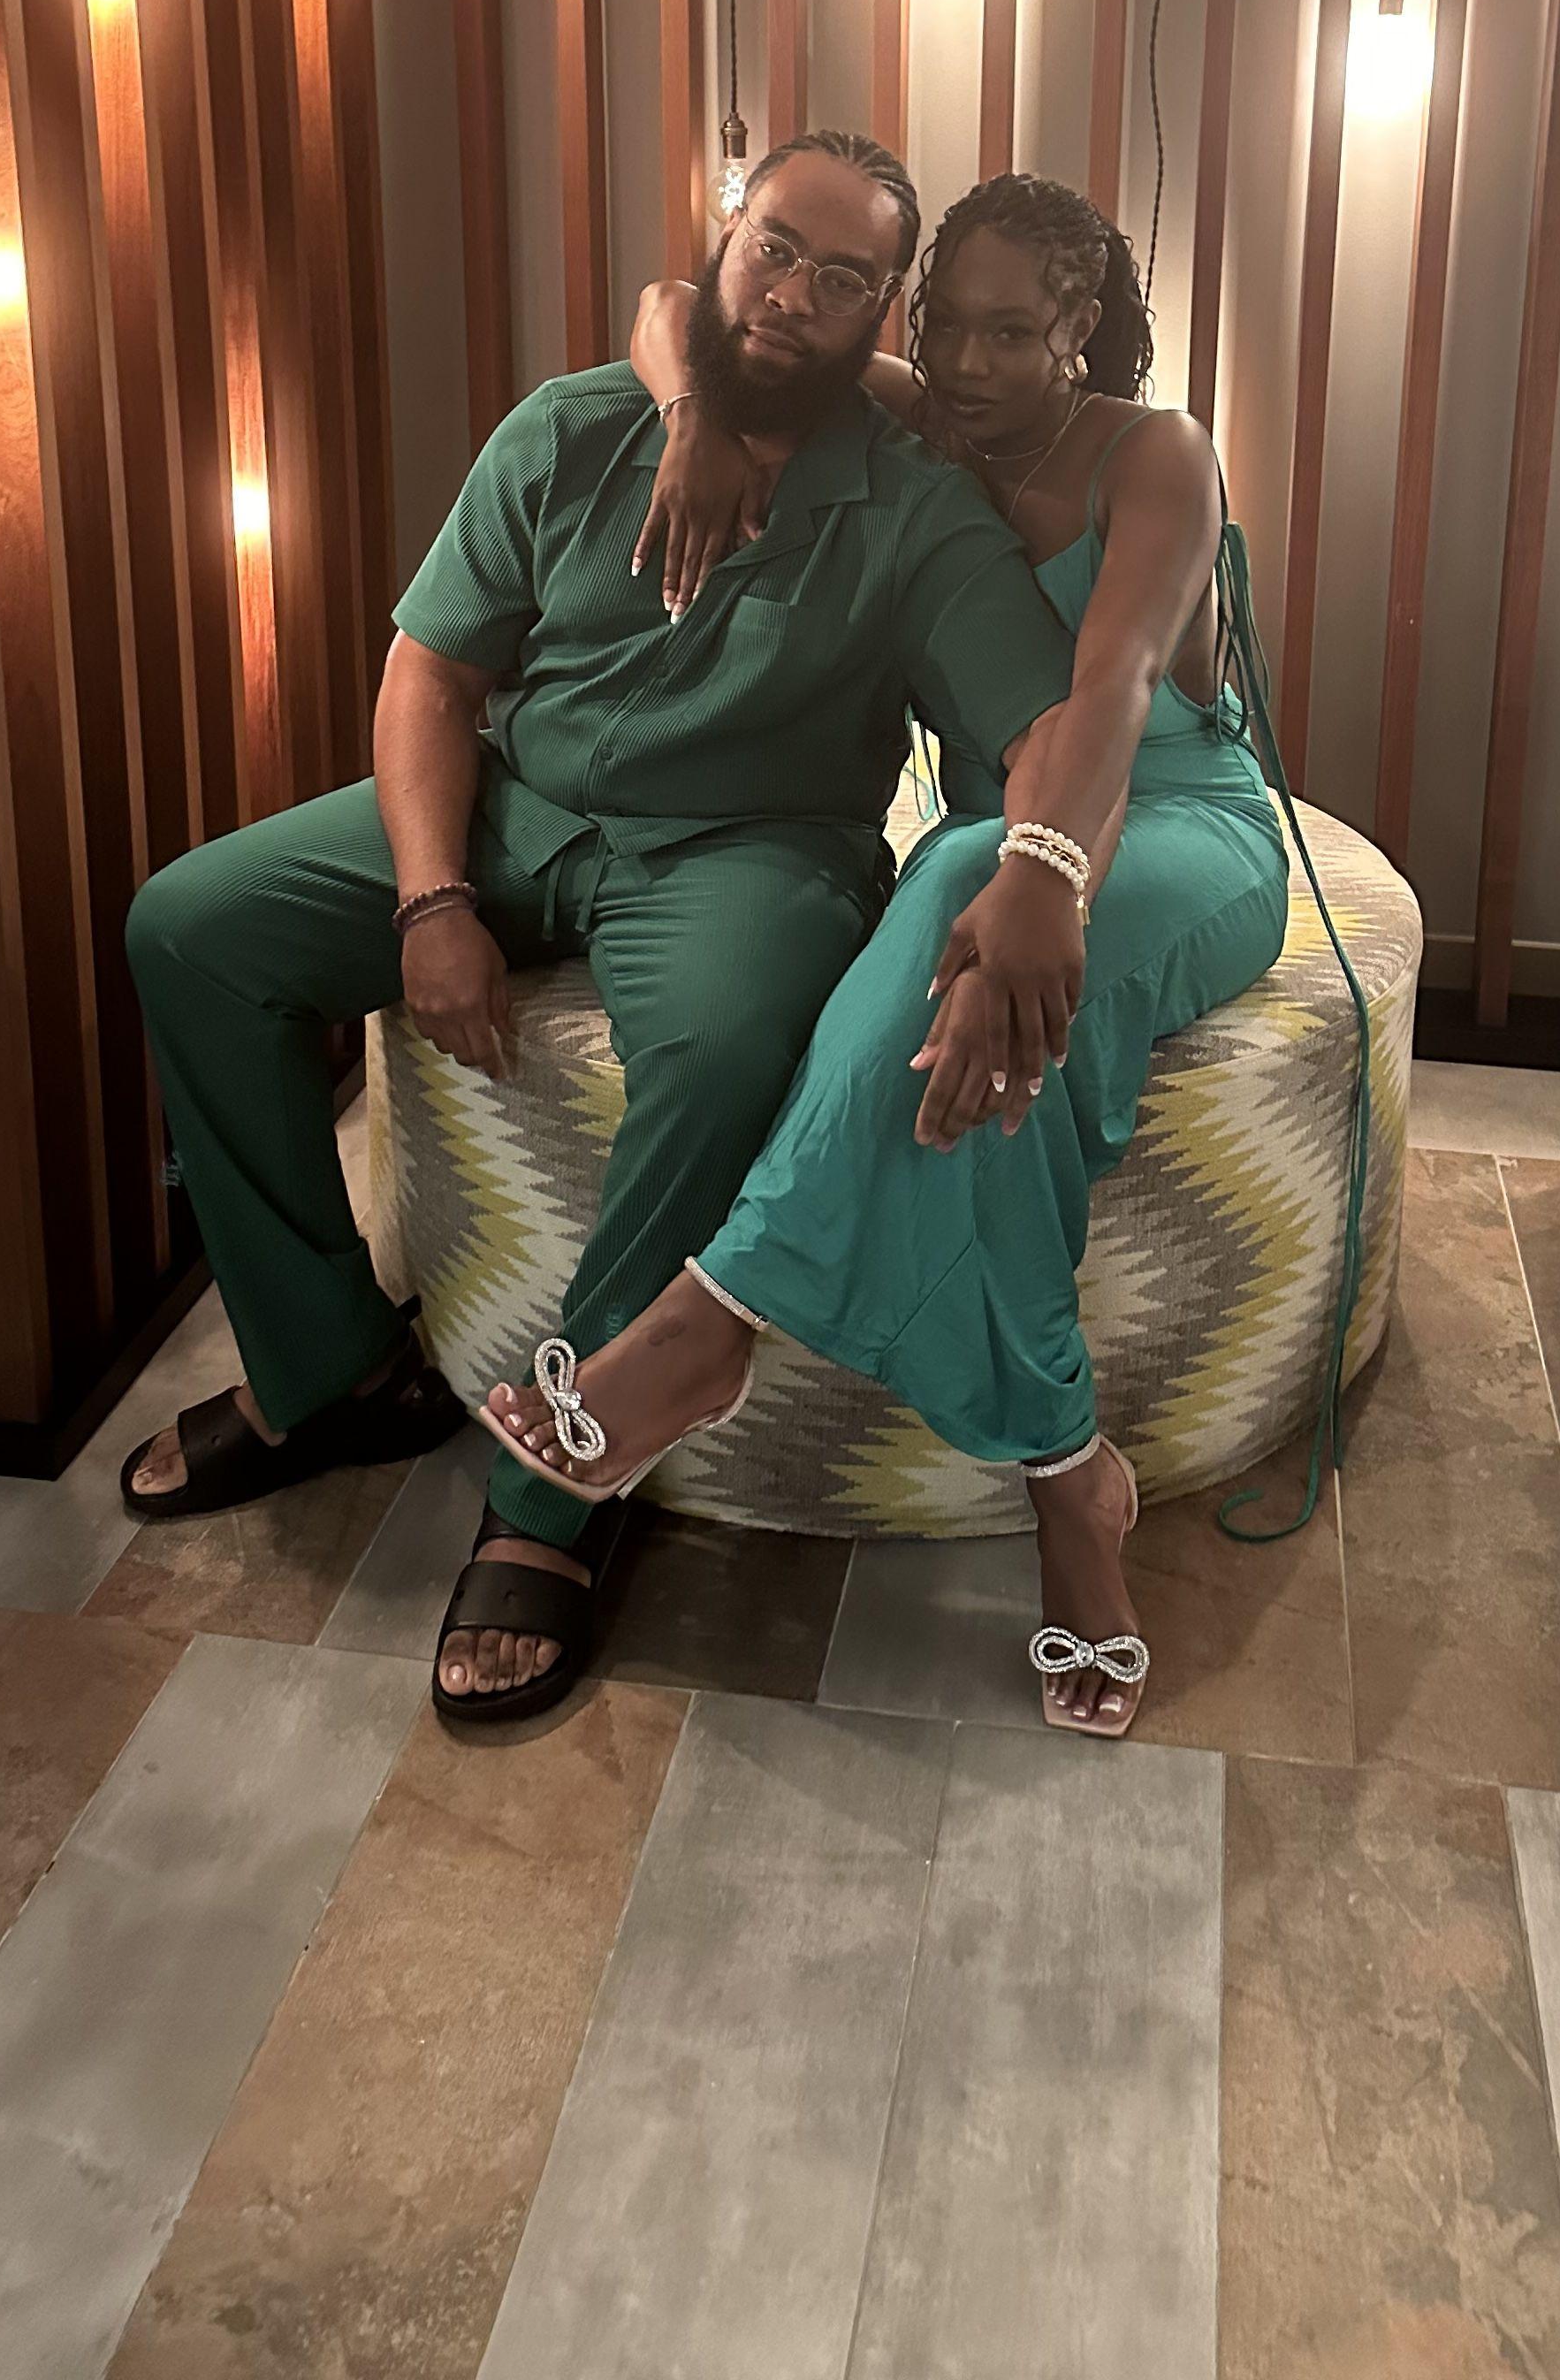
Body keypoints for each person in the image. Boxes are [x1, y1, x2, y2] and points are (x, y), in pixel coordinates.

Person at [118, 133, 1103, 1728]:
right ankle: (328, 1365)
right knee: (191, 927)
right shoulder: (577, 426)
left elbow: (1046, 719)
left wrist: (1042, 870)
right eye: (774, 247)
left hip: (748, 855)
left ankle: (556, 1496)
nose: (791, 295)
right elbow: (433, 673)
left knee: (723, 1054)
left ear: (885, 314)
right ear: (726, 231)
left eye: (843, 278)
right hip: (518, 803)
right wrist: (432, 895)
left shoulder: (915, 511)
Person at [483, 173, 1290, 1739]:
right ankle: (1071, 1483)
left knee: (968, 874)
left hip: (1176, 825)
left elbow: (1117, 688)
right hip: (998, 854)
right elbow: (672, 306)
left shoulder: (1155, 454)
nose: (971, 364)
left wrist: (1047, 867)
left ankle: (713, 1321)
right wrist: (689, 422)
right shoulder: (917, 416)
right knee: (982, 1046)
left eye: (1015, 333)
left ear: (1080, 329)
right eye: (949, 326)